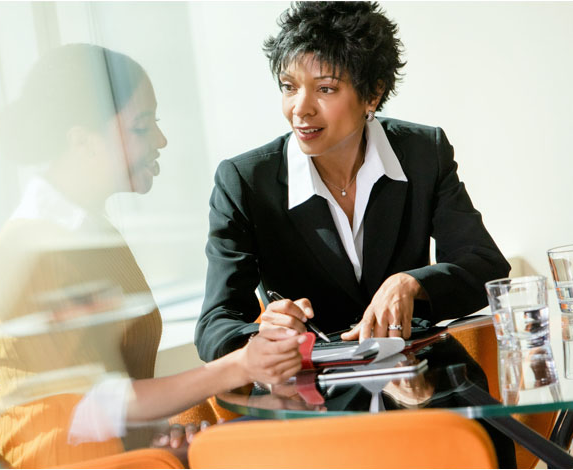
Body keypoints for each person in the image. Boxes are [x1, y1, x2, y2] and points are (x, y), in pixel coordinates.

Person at [0, 44, 306, 469]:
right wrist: (242, 365)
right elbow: (91, 404)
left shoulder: (88, 230)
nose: (161, 139)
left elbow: (107, 390)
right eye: (141, 127)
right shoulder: (37, 248)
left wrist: (153, 433)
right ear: (82, 141)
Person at [195, 0, 509, 388]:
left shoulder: (422, 152)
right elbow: (215, 324)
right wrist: (263, 335)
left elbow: (485, 266)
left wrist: (411, 282)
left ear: (372, 94)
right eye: (289, 87)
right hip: (311, 390)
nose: (300, 109)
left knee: (481, 437)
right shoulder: (244, 180)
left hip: (419, 377)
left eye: (325, 88)